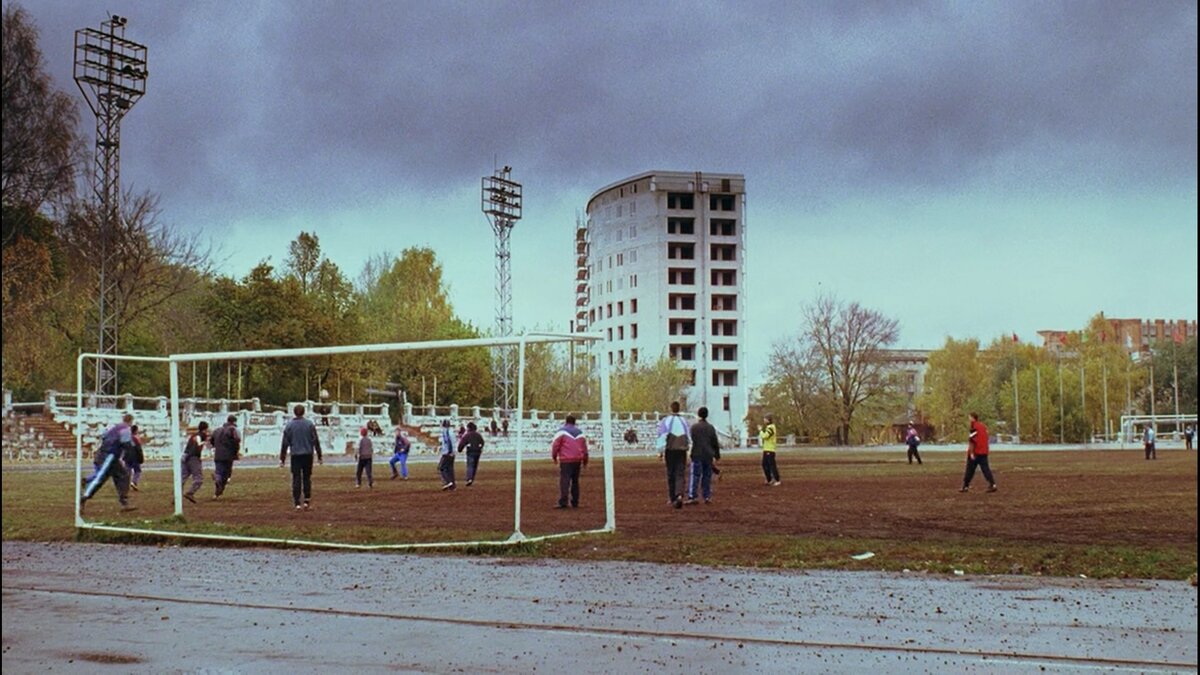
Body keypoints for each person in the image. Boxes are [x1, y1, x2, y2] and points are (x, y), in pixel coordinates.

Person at [80, 413, 136, 512]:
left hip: (109, 455)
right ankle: (83, 497)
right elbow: (126, 444)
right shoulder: (126, 429)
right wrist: (130, 456)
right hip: (109, 456)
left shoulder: (115, 428)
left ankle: (124, 502)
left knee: (123, 476)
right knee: (100, 478)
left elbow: (104, 437)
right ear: (131, 421)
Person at [279, 404, 323, 510]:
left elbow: (285, 443)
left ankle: (297, 502)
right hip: (308, 454)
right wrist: (319, 455)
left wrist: (282, 458)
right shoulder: (309, 424)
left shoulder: (289, 426)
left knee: (296, 478)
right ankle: (307, 499)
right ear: (304, 412)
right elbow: (315, 441)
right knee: (307, 477)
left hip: (296, 455)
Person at [656, 401, 691, 509]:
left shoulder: (666, 421)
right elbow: (688, 436)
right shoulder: (684, 421)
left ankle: (672, 498)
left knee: (670, 473)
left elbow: (662, 436)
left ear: (671, 409)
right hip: (681, 450)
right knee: (680, 473)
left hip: (670, 450)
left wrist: (660, 451)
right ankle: (679, 494)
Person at [550, 414, 589, 508]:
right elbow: (584, 448)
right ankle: (575, 501)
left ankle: (563, 502)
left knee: (565, 480)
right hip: (577, 459)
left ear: (566, 421)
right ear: (575, 422)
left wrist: (554, 457)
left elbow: (555, 446)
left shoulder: (561, 432)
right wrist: (585, 460)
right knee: (575, 481)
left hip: (566, 460)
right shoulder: (580, 433)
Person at [686, 406, 721, 505]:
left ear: (698, 415)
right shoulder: (710, 427)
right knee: (707, 476)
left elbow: (692, 440)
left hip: (697, 453)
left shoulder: (694, 427)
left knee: (695, 475)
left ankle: (693, 496)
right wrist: (717, 455)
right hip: (708, 455)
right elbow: (715, 442)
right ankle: (707, 496)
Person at [961, 412, 997, 492]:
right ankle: (993, 484)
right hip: (984, 451)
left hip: (976, 451)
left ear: (973, 418)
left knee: (970, 469)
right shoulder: (983, 427)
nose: (969, 419)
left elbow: (973, 441)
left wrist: (972, 453)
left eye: (969, 417)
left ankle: (965, 486)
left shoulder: (974, 427)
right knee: (985, 469)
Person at [210, 414, 241, 499]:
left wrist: (216, 446)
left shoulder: (217, 430)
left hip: (218, 454)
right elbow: (237, 440)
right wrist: (236, 451)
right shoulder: (232, 430)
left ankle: (217, 484)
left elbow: (211, 440)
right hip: (228, 455)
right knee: (226, 474)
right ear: (234, 422)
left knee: (219, 470)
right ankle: (218, 489)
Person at [181, 421, 209, 504]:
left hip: (185, 456)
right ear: (205, 429)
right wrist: (205, 442)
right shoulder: (202, 435)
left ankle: (176, 496)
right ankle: (190, 493)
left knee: (182, 478)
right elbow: (198, 444)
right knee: (198, 479)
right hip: (193, 457)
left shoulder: (193, 435)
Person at [459, 422, 486, 486]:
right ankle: (472, 478)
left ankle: (469, 479)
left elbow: (462, 443)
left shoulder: (467, 435)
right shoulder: (478, 435)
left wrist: (460, 449)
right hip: (477, 452)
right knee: (474, 466)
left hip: (470, 452)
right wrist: (480, 447)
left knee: (470, 465)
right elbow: (482, 442)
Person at [760, 415, 781, 486]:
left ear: (768, 420)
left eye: (765, 419)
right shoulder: (769, 427)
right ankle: (769, 479)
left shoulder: (771, 428)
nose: (764, 421)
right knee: (764, 464)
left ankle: (777, 480)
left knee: (772, 465)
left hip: (770, 449)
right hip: (766, 449)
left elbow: (765, 436)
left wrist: (760, 431)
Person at [437, 419, 456, 490]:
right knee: (450, 469)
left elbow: (448, 442)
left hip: (447, 452)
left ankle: (447, 481)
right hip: (452, 452)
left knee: (441, 468)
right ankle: (453, 485)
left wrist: (449, 451)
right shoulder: (451, 431)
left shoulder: (446, 432)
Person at [125, 425, 146, 491]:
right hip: (135, 457)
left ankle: (125, 485)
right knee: (137, 471)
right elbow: (138, 449)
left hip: (127, 457)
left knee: (128, 471)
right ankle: (134, 482)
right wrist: (141, 458)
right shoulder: (136, 438)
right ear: (136, 430)